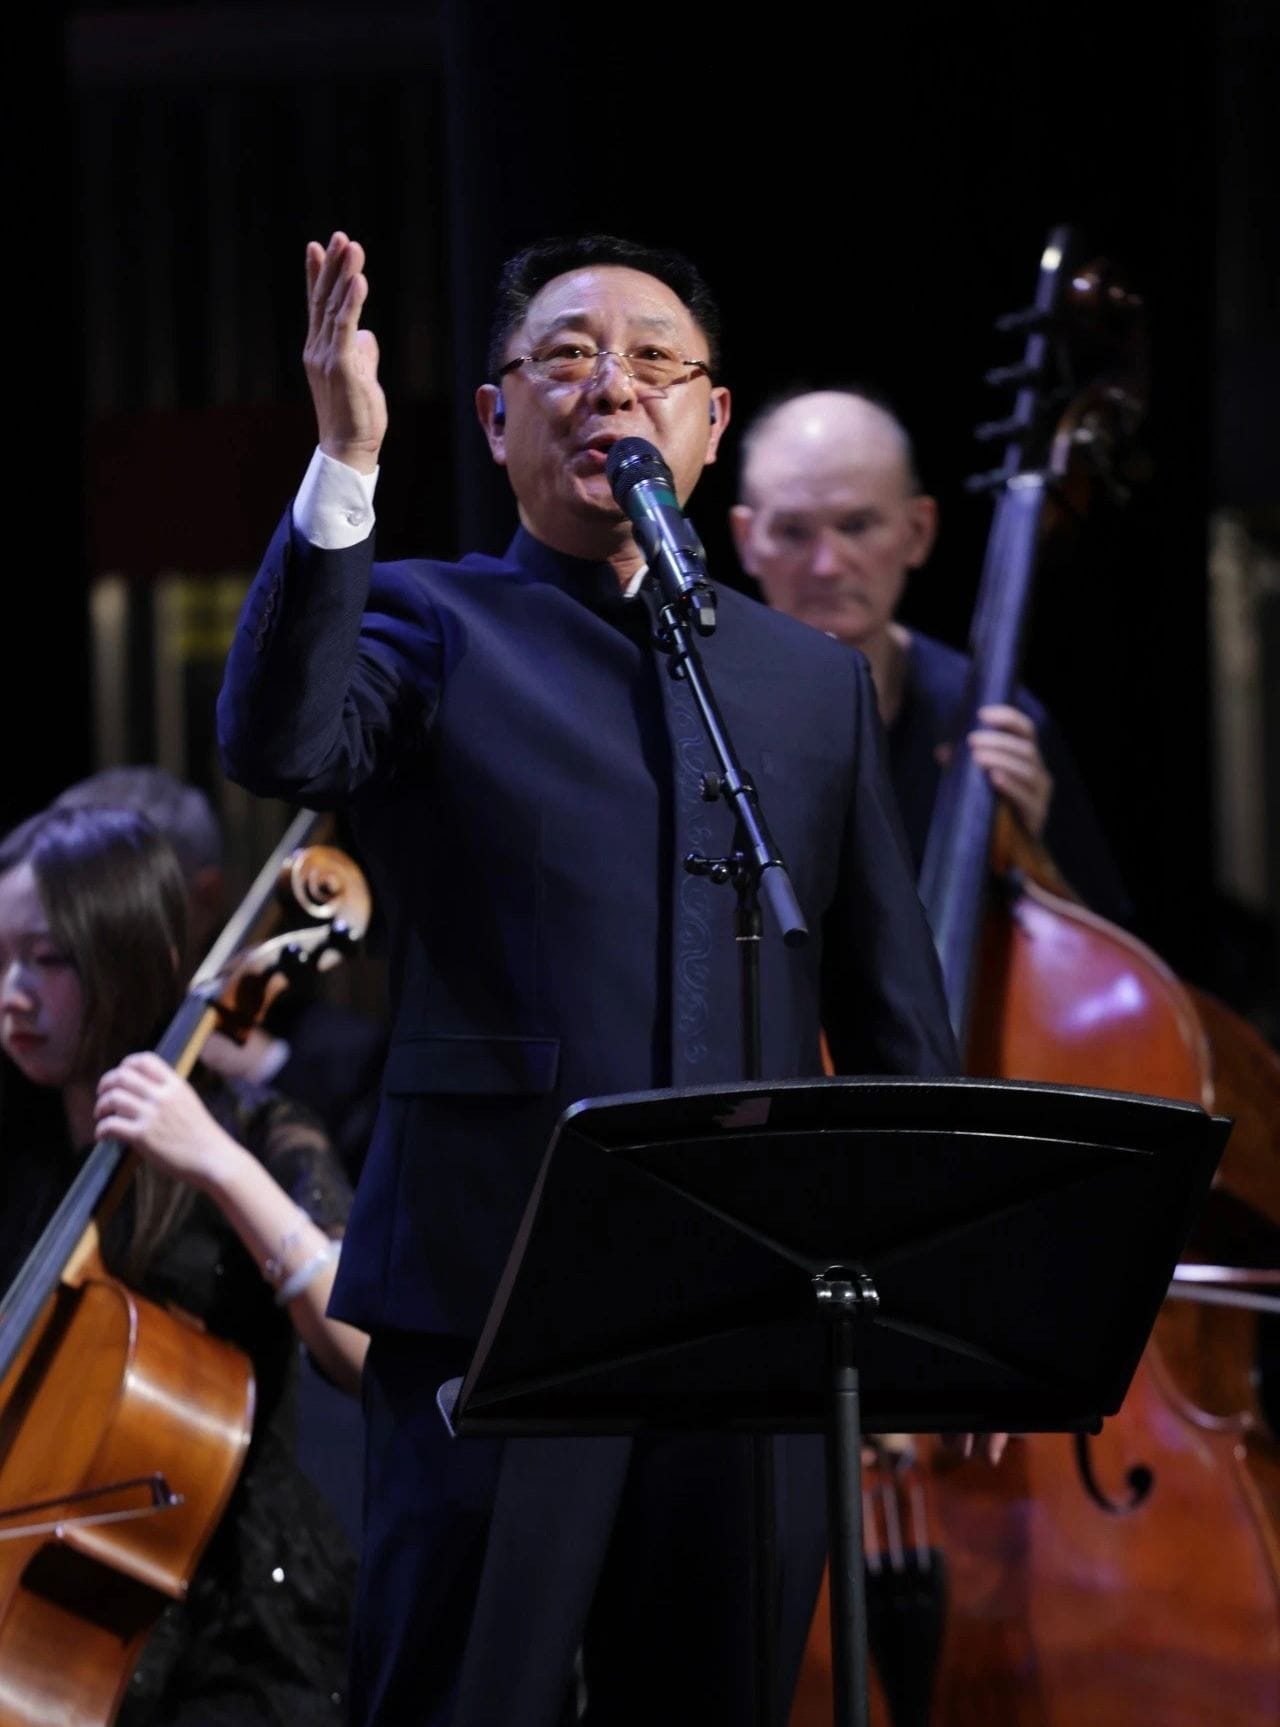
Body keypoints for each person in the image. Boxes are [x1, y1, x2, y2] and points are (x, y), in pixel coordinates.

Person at [215, 228, 974, 1727]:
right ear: (496, 417)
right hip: (495, 1304)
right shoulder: (433, 621)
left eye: (651, 360)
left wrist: (929, 1308)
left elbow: (894, 1015)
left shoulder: (805, 680)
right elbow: (279, 740)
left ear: (711, 418)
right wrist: (345, 460)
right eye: (562, 355)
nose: (608, 384)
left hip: (753, 1311)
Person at [0, 803, 365, 1724]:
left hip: (239, 1627)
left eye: (46, 958)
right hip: (70, 1609)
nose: (13, 992)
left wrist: (219, 1163)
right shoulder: (22, 1153)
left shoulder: (253, 1131)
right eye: (0, 958)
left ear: (128, 956)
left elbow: (362, 1346)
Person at [729, 387, 1133, 924]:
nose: (827, 565)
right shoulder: (689, 716)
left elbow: (1102, 945)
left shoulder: (995, 720)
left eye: (857, 526)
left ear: (918, 531)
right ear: (746, 539)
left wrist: (1034, 859)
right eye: (792, 531)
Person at [47, 763, 388, 1186]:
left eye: (112, 905)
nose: (80, 935)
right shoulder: (46, 1064)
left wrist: (269, 1067)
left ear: (205, 899)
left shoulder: (342, 1057)